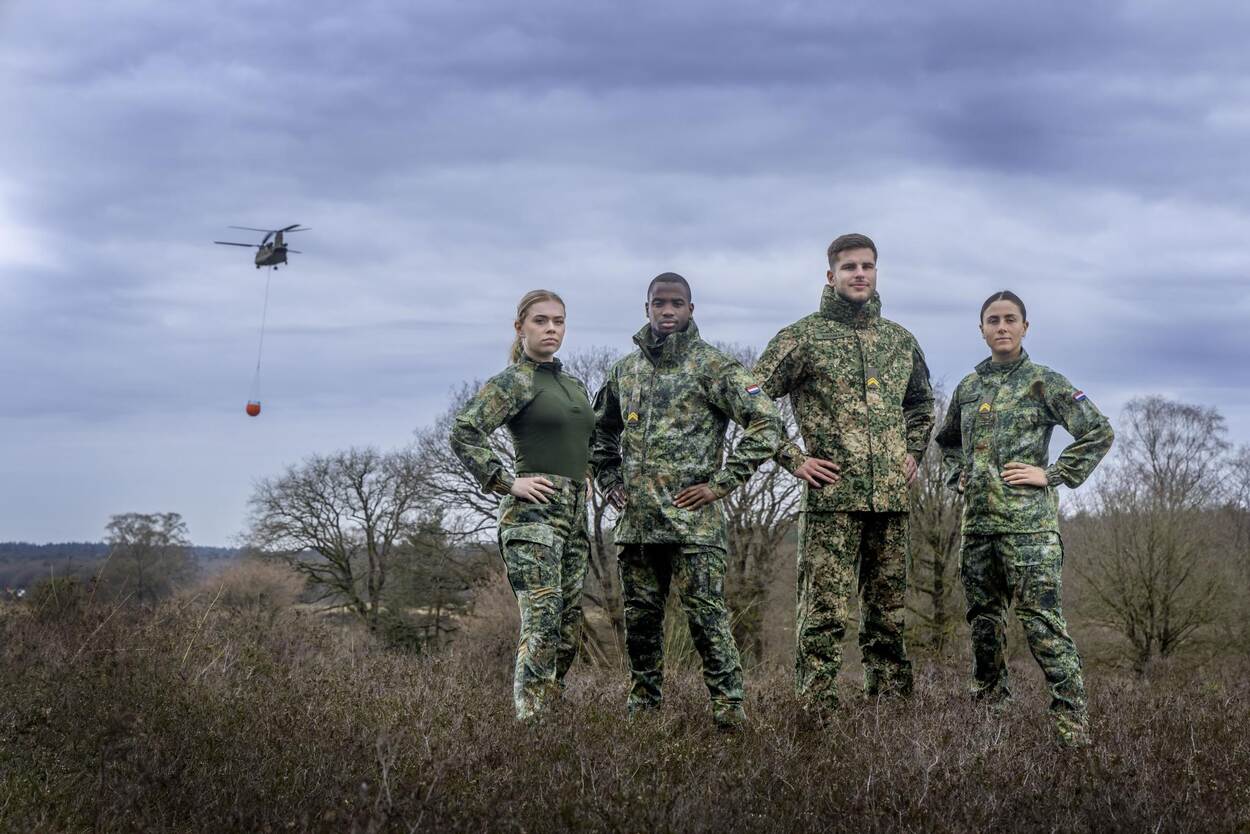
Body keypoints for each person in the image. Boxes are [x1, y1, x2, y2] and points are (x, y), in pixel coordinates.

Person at [592, 272, 783, 729]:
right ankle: (644, 711)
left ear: (691, 309)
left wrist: (721, 483)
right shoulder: (625, 370)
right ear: (647, 309)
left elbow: (767, 424)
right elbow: (600, 431)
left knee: (707, 620)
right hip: (638, 525)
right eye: (659, 303)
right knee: (639, 624)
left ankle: (729, 711)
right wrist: (608, 479)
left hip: (694, 524)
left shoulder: (714, 367)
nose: (668, 311)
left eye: (677, 303)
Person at [754, 233, 934, 714]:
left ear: (876, 273)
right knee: (825, 615)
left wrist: (913, 449)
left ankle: (892, 716)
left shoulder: (899, 341)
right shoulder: (802, 338)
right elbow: (749, 400)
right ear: (830, 276)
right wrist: (794, 458)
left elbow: (920, 404)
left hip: (891, 503)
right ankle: (815, 718)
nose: (860, 274)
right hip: (832, 499)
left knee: (890, 618)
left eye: (868, 266)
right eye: (850, 266)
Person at [934, 290, 1113, 747]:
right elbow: (947, 440)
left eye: (1010, 319)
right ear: (981, 330)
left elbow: (1098, 431)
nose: (1002, 327)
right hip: (978, 530)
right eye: (993, 320)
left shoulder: (1044, 382)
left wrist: (1052, 474)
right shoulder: (969, 387)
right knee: (983, 626)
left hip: (1029, 531)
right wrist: (958, 475)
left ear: (1025, 327)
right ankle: (990, 724)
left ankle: (1072, 728)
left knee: (1043, 624)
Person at [450, 289, 594, 721]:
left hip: (574, 517)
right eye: (541, 321)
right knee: (543, 619)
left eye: (559, 321)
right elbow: (465, 430)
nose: (552, 329)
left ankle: (552, 713)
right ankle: (531, 725)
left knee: (568, 630)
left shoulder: (573, 384)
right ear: (521, 327)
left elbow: (583, 441)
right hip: (533, 518)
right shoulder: (515, 381)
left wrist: (588, 475)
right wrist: (504, 481)